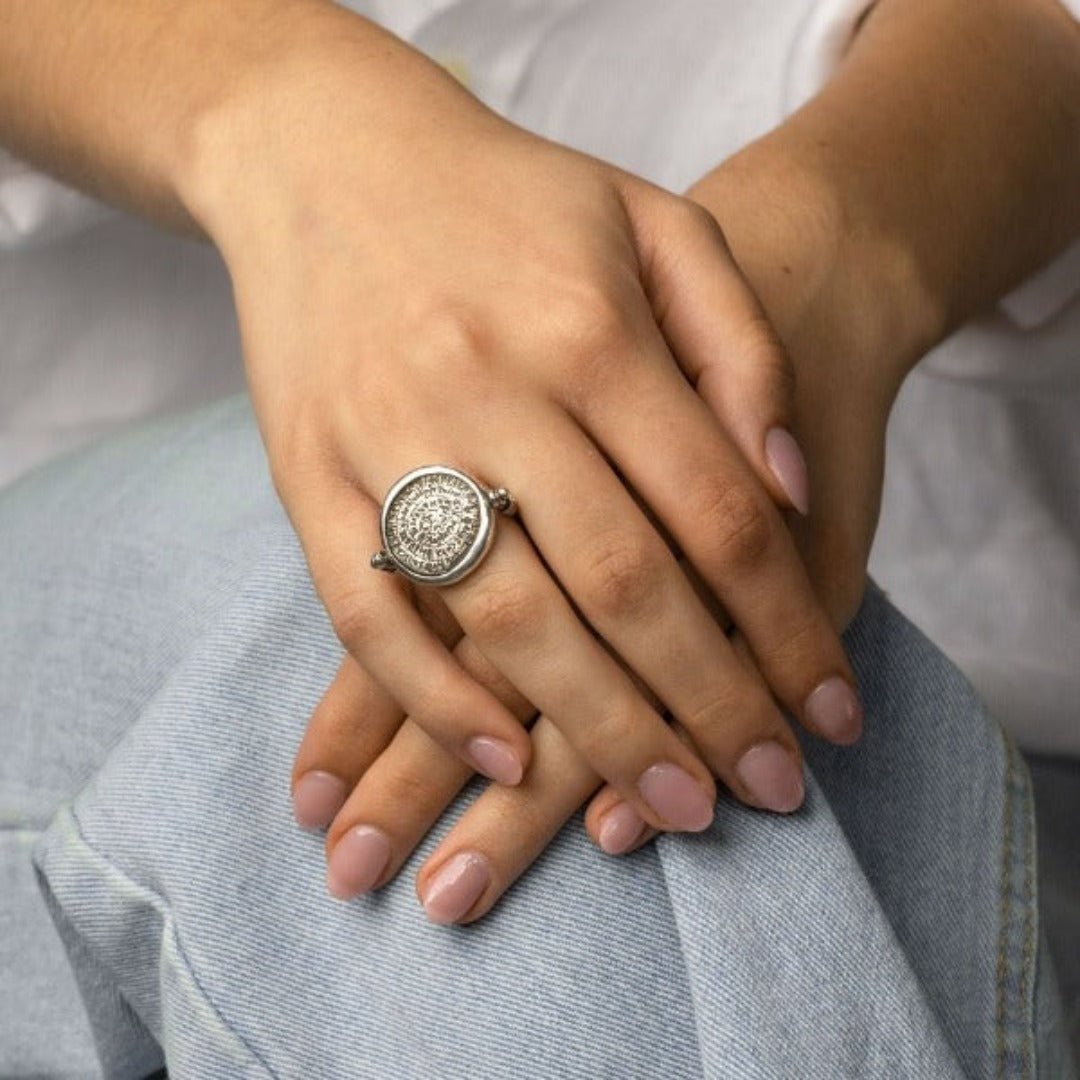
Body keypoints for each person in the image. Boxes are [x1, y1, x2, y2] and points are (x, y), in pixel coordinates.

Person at [0, 0, 1077, 1075]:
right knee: (485, 696)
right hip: (86, 529)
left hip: (994, 664)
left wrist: (843, 239)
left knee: (663, 622)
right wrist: (280, 111)